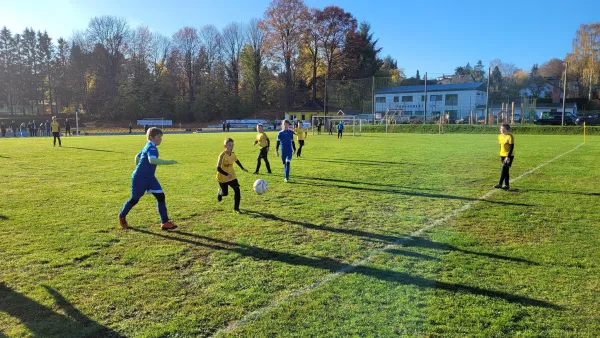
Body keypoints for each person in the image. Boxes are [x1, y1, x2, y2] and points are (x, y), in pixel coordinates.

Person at [119, 127, 178, 230]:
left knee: (160, 196)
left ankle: (164, 222)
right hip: (140, 179)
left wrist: (139, 167)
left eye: (161, 137)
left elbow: (137, 157)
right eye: (158, 137)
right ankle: (122, 216)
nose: (160, 139)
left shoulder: (149, 145)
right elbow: (152, 160)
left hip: (150, 178)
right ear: (151, 137)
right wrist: (169, 162)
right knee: (134, 199)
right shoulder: (151, 147)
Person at [216, 138, 248, 213]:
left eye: (232, 145)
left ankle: (236, 208)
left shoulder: (233, 154)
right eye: (229, 145)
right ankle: (220, 192)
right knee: (225, 193)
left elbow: (236, 160)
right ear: (225, 146)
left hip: (232, 176)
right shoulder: (222, 155)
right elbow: (218, 168)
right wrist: (227, 174)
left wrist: (242, 168)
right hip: (222, 177)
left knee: (237, 190)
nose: (231, 146)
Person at [494, 124, 514, 191]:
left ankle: (500, 184)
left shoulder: (510, 136)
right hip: (502, 155)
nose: (502, 130)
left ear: (507, 130)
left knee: (503, 170)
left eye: (503, 129)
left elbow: (511, 147)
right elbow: (501, 145)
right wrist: (501, 153)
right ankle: (507, 185)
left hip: (509, 155)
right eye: (501, 129)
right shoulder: (499, 136)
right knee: (506, 171)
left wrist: (507, 157)